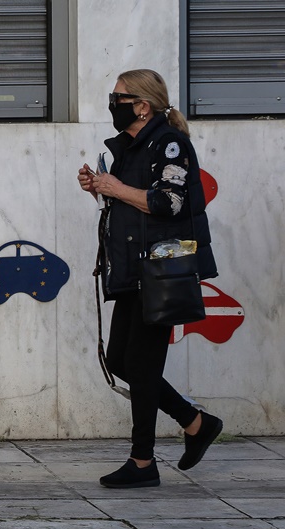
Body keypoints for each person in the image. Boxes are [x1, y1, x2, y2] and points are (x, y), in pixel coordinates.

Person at [77, 69, 223, 488]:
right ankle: (195, 422)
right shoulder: (135, 145)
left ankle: (143, 462)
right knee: (120, 360)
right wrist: (99, 188)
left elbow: (169, 201)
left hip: (161, 271)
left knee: (140, 366)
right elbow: (130, 200)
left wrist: (115, 186)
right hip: (133, 269)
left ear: (142, 106)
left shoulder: (170, 143)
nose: (113, 102)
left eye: (119, 97)